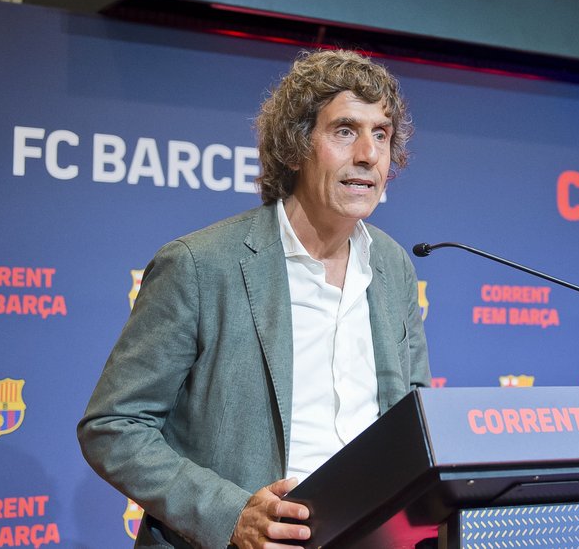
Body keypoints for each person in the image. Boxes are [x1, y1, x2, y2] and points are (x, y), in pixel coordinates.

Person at [77, 49, 431, 549]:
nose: (368, 154)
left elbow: (414, 414)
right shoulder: (200, 265)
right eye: (344, 130)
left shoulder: (392, 266)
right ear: (295, 146)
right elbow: (114, 426)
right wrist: (230, 515)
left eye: (382, 134)